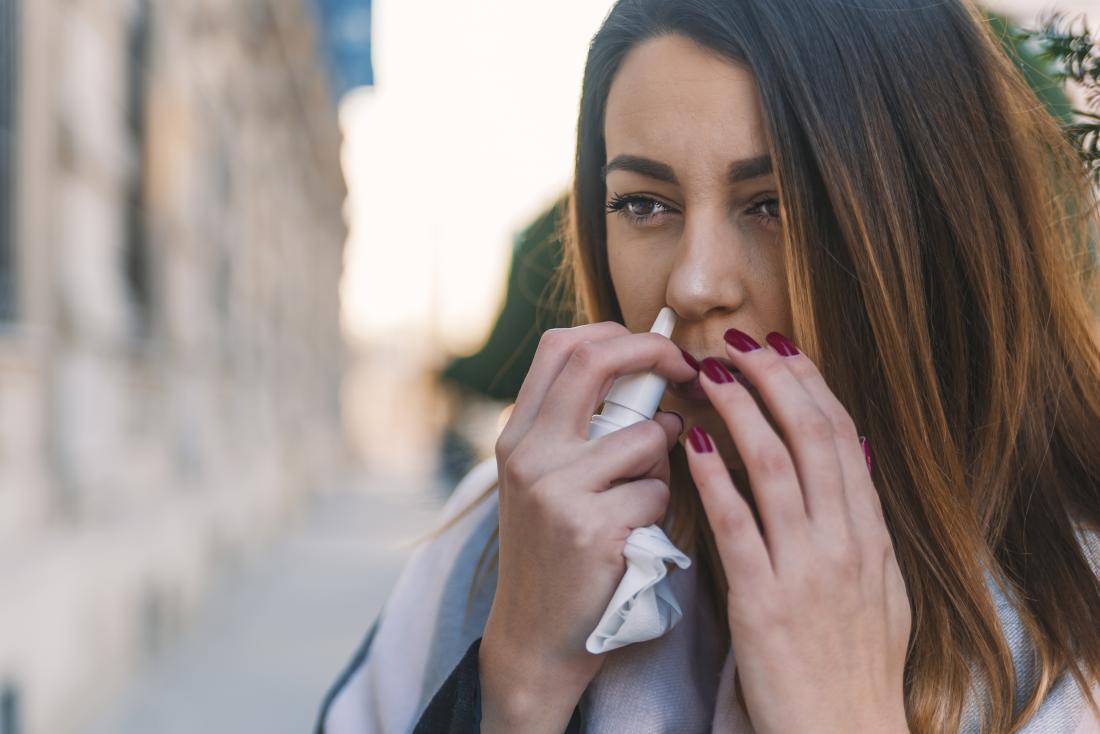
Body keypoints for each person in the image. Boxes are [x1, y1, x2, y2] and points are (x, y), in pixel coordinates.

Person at [316, 0, 1100, 731]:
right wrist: (516, 678)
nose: (694, 284)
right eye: (643, 205)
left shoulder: (1076, 609)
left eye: (774, 204)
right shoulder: (512, 535)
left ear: (931, 223)